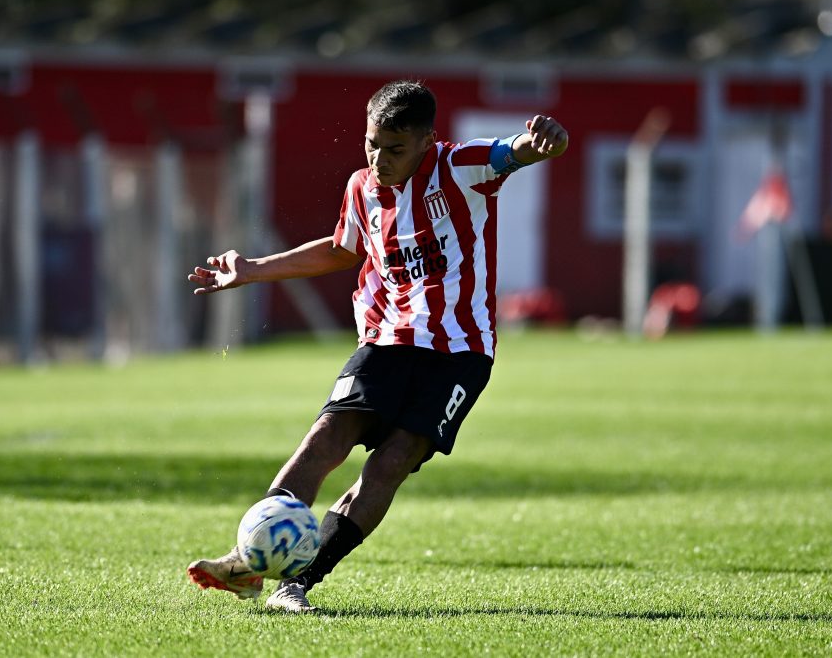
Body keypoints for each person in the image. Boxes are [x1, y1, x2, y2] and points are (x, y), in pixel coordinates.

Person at [186, 80, 567, 613]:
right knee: (326, 436)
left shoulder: (461, 167)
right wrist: (252, 270)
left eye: (395, 149)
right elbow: (342, 249)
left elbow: (515, 151)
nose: (379, 159)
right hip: (386, 339)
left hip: (460, 352)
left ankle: (297, 584)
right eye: (372, 144)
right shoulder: (362, 186)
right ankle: (249, 559)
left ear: (427, 140)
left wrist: (546, 141)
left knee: (391, 463)